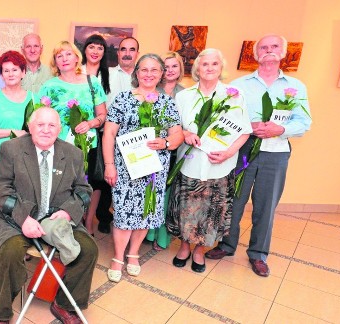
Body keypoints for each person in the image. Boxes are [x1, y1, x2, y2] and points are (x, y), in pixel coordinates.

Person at [205, 34, 312, 277]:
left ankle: (258, 254)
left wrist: (281, 129)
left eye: (274, 46)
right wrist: (246, 126)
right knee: (235, 200)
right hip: (244, 150)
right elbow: (227, 117)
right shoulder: (240, 85)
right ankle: (227, 244)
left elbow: (304, 122)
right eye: (263, 47)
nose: (269, 50)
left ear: (283, 52)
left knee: (266, 205)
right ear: (255, 54)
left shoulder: (296, 87)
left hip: (276, 153)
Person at [0, 107, 97, 324]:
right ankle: (0, 312)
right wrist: (23, 219)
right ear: (30, 127)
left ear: (59, 129)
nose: (46, 130)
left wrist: (68, 212)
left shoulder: (73, 153)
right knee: (9, 254)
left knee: (89, 250)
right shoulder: (11, 149)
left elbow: (84, 191)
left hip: (59, 219)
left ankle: (64, 304)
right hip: (18, 220)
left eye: (51, 125)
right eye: (40, 125)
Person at [166, 49, 252, 273]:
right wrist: (185, 134)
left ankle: (199, 251)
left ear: (221, 68)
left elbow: (244, 131)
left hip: (219, 165)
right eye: (205, 64)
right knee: (186, 209)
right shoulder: (184, 96)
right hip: (190, 163)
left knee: (211, 214)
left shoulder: (234, 95)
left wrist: (228, 153)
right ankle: (184, 247)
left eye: (215, 64)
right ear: (197, 69)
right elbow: (175, 128)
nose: (210, 68)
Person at [102, 53, 183, 282]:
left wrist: (166, 143)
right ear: (137, 73)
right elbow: (109, 133)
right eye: (144, 70)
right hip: (125, 169)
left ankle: (134, 253)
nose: (149, 74)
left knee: (146, 213)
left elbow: (177, 134)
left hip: (154, 171)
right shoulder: (122, 99)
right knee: (123, 212)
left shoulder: (167, 102)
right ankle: (118, 257)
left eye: (154, 70)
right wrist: (109, 165)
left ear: (161, 74)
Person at [0, 51, 32, 233]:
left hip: (26, 161)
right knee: (0, 206)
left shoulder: (33, 98)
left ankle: (22, 242)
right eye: (6, 70)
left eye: (15, 69)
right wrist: (13, 132)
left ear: (23, 72)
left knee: (23, 204)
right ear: (1, 74)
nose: (10, 74)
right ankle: (1, 243)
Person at [38, 41, 107, 171]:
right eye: (59, 56)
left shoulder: (92, 82)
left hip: (86, 145)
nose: (64, 59)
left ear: (77, 58)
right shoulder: (49, 86)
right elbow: (40, 119)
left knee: (84, 186)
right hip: (57, 146)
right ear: (55, 62)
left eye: (68, 54)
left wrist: (89, 124)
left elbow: (103, 115)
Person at [146, 51, 185, 251]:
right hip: (151, 149)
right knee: (150, 189)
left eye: (174, 66)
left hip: (174, 150)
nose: (170, 70)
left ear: (181, 69)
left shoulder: (185, 93)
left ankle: (161, 235)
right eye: (166, 66)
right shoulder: (151, 90)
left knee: (167, 194)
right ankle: (148, 231)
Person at [78, 34, 114, 236]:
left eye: (100, 48)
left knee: (96, 179)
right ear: (84, 50)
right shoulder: (76, 71)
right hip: (76, 133)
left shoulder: (110, 74)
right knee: (77, 177)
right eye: (91, 47)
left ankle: (89, 219)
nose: (95, 51)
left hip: (101, 133)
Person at [108, 37, 140, 106]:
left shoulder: (145, 77)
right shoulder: (105, 75)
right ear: (118, 53)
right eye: (123, 50)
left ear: (137, 54)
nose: (127, 54)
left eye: (132, 50)